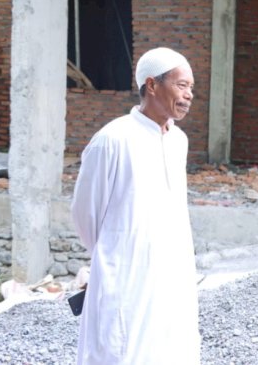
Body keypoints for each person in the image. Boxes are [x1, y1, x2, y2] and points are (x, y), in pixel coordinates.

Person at [71, 47, 200, 364]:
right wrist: (116, 252)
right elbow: (85, 213)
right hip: (126, 273)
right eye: (182, 85)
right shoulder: (113, 139)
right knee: (122, 349)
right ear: (152, 85)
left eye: (191, 88)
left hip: (172, 272)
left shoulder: (178, 141)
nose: (189, 95)